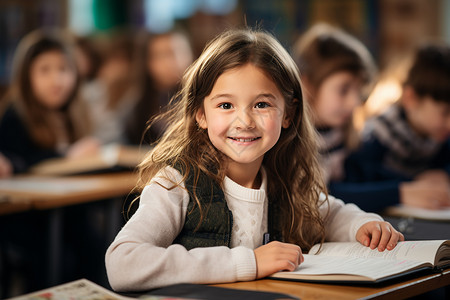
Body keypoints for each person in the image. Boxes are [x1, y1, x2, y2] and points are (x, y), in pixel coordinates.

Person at [105, 28, 403, 292]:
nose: (244, 120)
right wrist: (248, 262)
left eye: (261, 104)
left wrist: (362, 224)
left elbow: (330, 212)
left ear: (288, 114)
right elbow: (122, 263)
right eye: (226, 105)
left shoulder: (286, 180)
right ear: (201, 114)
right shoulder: (176, 185)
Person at [343, 43, 450, 211]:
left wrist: (444, 176)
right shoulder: (373, 139)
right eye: (445, 112)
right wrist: (405, 190)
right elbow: (346, 193)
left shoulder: (441, 136)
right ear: (411, 98)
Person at [0, 29, 100, 174]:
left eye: (63, 69)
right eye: (44, 70)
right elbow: (18, 163)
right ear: (26, 77)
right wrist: (67, 156)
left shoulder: (74, 113)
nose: (56, 81)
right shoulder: (15, 116)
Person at [292, 23, 376, 184]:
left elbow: (364, 177)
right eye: (343, 90)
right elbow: (322, 196)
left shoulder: (343, 136)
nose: (355, 103)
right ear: (307, 85)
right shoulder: (289, 143)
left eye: (359, 91)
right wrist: (399, 192)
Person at [125, 30, 194, 145]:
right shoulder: (137, 109)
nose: (170, 62)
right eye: (161, 56)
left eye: (177, 52)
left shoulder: (204, 99)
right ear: (147, 63)